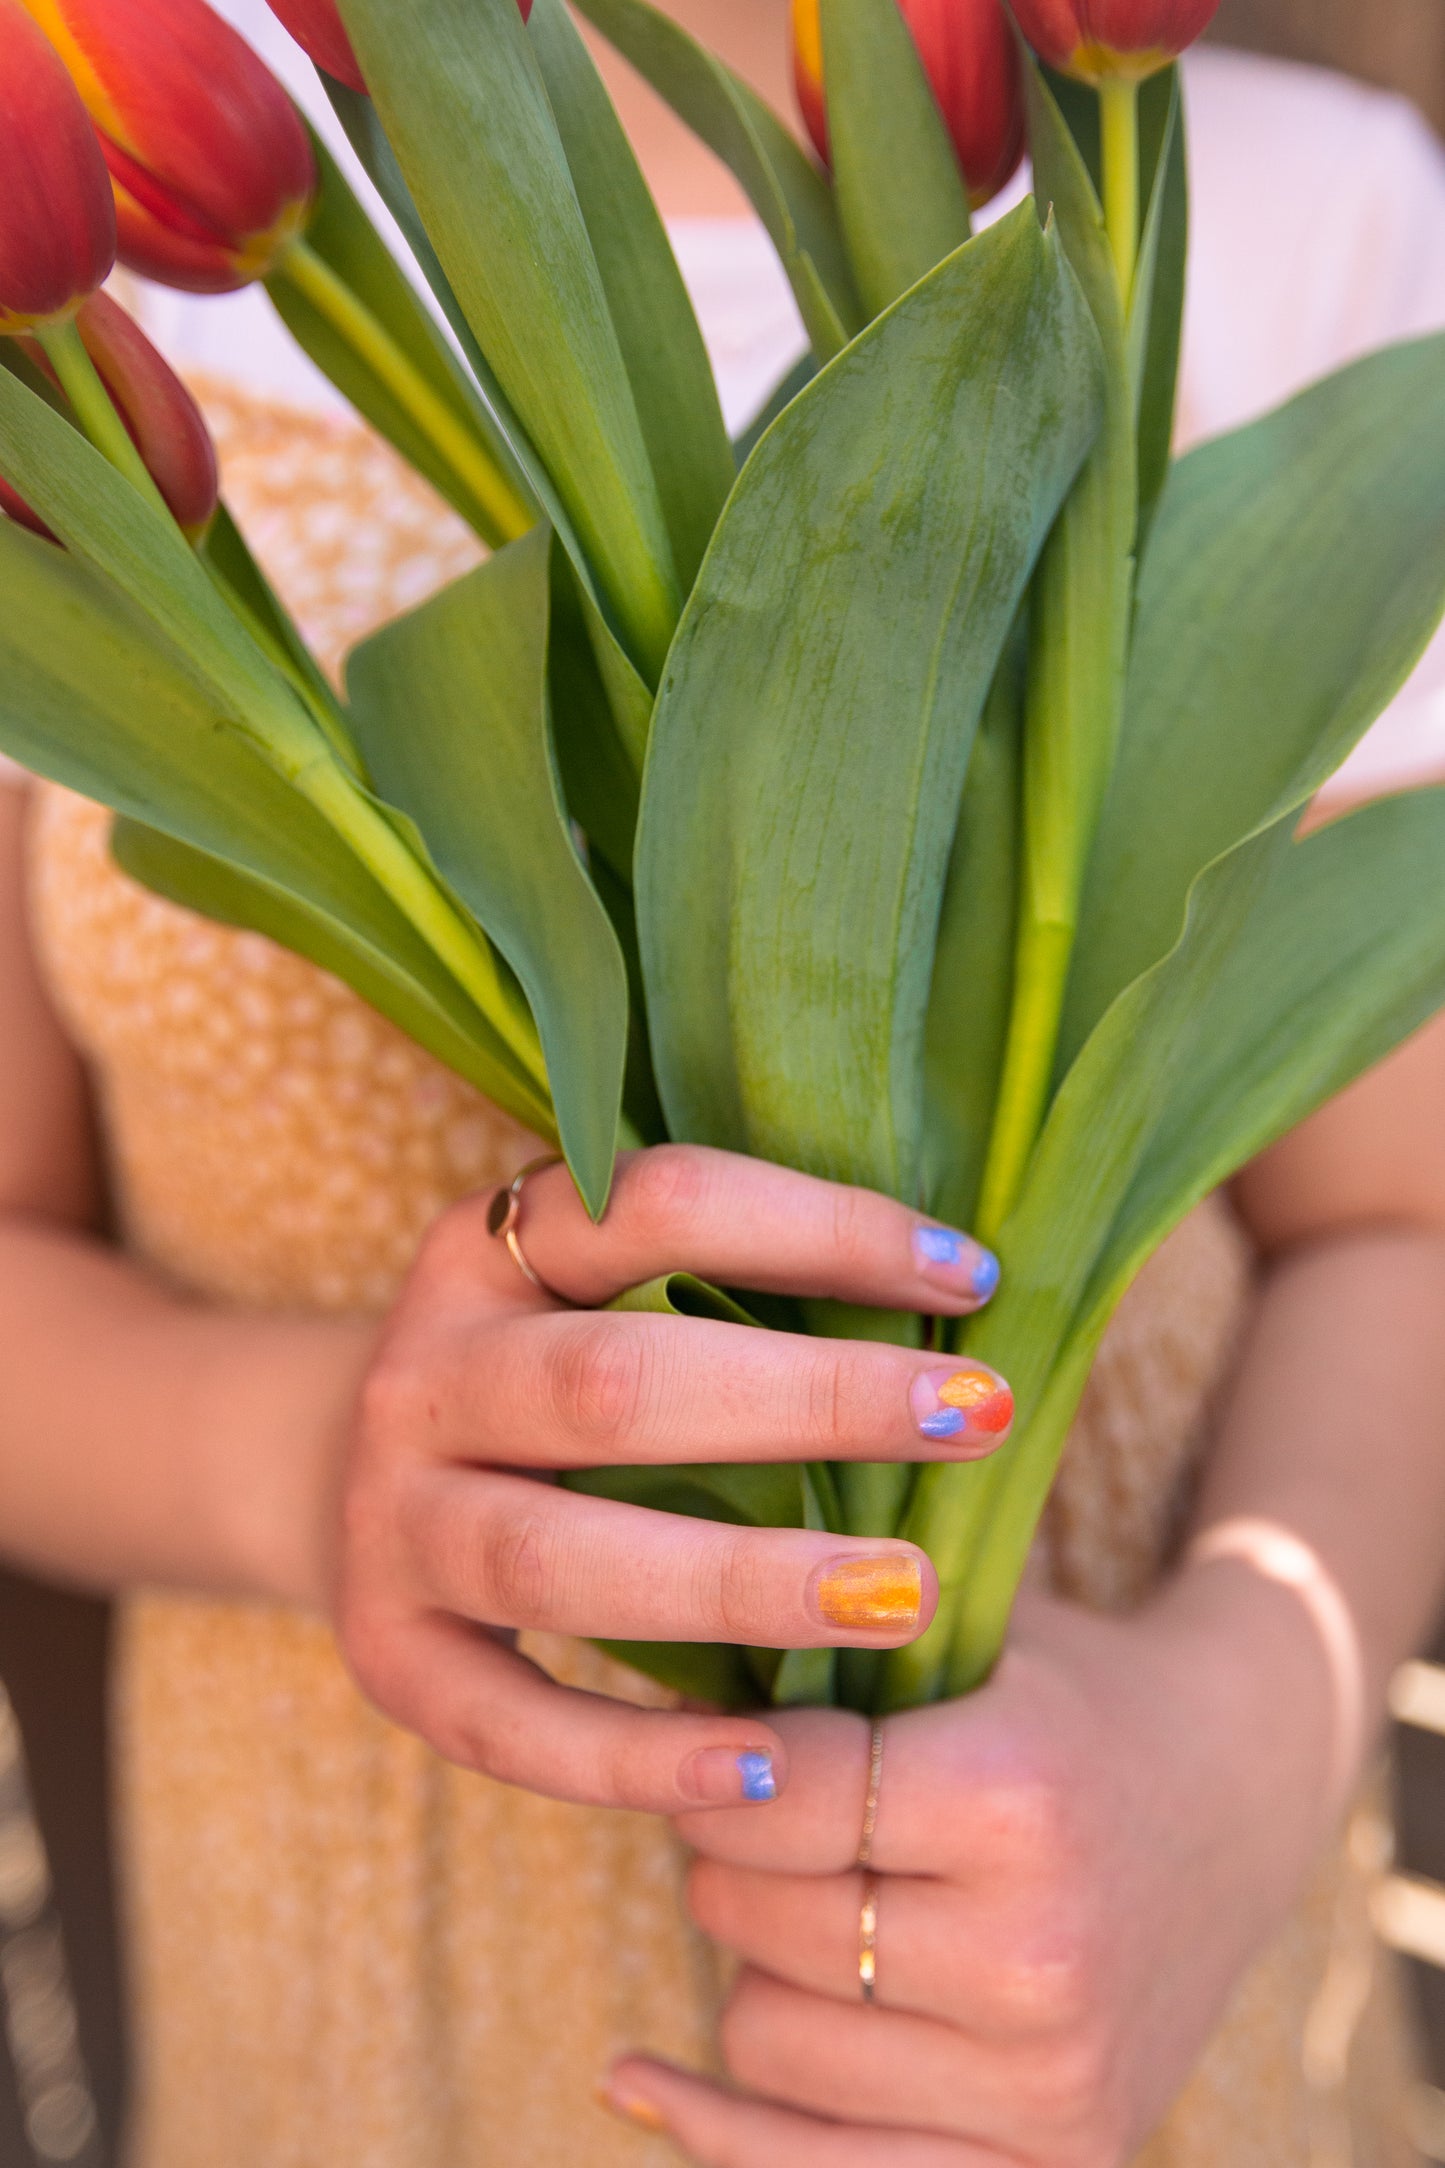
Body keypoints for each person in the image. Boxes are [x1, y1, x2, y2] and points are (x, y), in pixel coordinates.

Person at [4, 5, 1445, 2162]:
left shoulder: (1286, 217)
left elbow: (1403, 1220)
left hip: (1110, 1913)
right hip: (367, 1925)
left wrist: (1229, 1754)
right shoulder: (93, 160)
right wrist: (349, 1467)